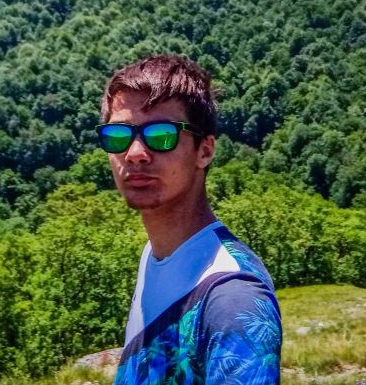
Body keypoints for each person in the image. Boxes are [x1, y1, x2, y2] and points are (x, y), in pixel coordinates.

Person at [96, 54, 282, 385]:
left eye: (161, 135)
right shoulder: (155, 255)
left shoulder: (232, 300)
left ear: (204, 151)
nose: (135, 153)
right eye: (118, 135)